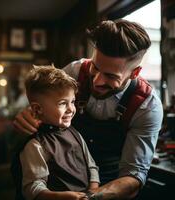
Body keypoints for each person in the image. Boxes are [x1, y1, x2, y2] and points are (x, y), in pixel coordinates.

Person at [13, 19, 163, 200]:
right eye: (95, 67)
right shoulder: (75, 72)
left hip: (109, 185)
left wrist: (91, 197)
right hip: (56, 178)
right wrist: (29, 115)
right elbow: (42, 104)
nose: (97, 80)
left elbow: (133, 175)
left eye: (110, 76)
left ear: (134, 73)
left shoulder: (147, 106)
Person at [11, 65, 100, 200]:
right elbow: (32, 187)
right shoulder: (35, 144)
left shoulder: (74, 133)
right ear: (37, 109)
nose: (71, 109)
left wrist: (93, 190)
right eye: (63, 103)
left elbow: (91, 166)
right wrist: (60, 197)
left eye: (73, 102)